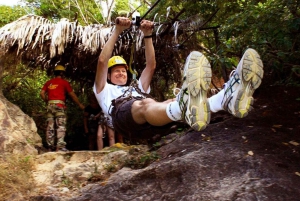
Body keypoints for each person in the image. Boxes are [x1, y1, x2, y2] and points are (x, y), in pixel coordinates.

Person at [93, 17, 264, 141]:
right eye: (116, 71)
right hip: (124, 119)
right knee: (145, 104)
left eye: (123, 71)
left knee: (169, 102)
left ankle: (225, 99)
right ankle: (187, 105)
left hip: (151, 123)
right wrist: (117, 31)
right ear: (108, 76)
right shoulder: (104, 90)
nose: (121, 73)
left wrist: (147, 35)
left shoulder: (137, 88)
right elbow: (102, 61)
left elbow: (151, 65)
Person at [40, 65, 85, 152]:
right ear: (62, 73)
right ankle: (60, 147)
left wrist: (47, 101)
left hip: (50, 106)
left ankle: (50, 147)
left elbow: (42, 93)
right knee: (60, 126)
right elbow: (72, 95)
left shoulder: (49, 82)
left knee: (50, 127)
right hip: (59, 106)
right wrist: (80, 104)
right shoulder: (64, 83)